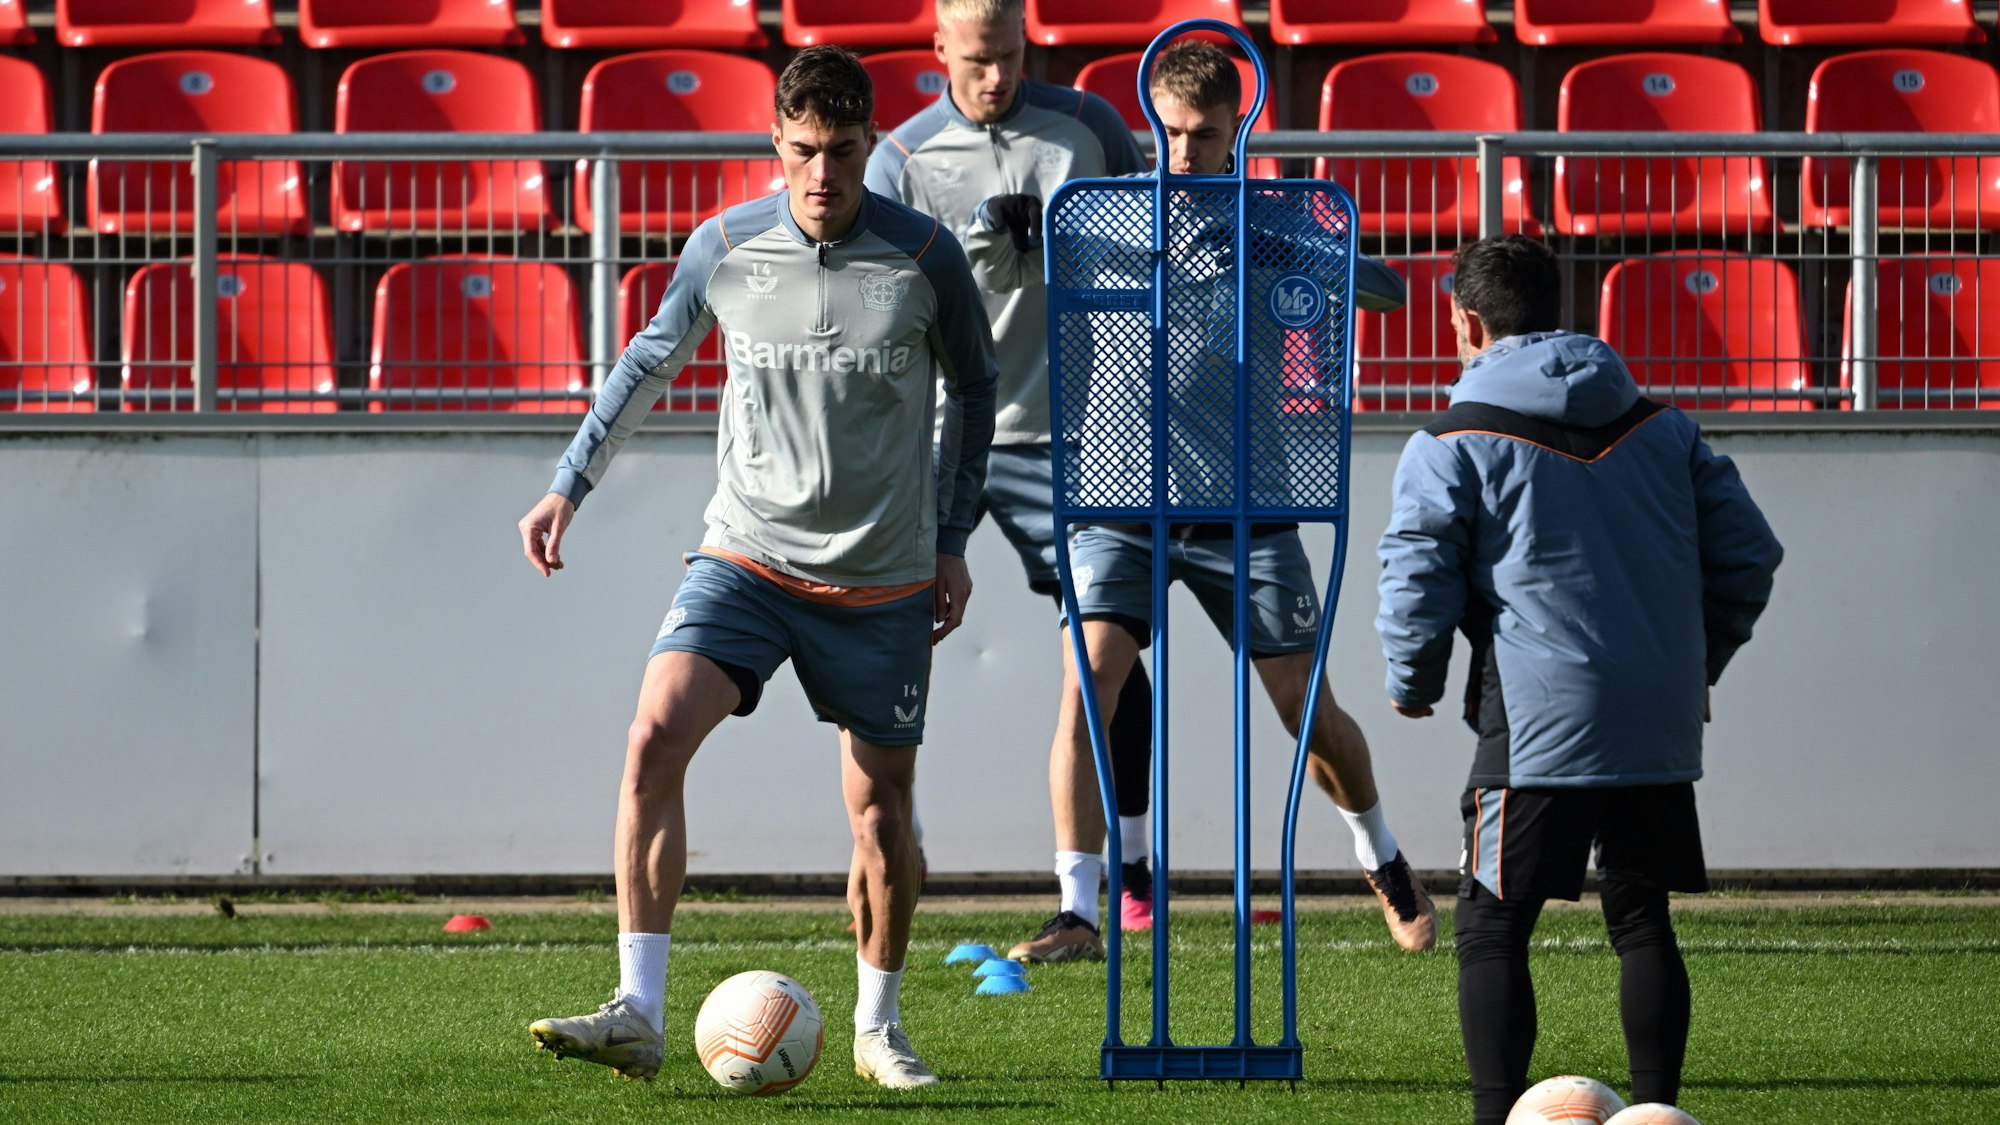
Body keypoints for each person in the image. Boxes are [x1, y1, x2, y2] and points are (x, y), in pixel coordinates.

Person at [517, 46, 997, 1091]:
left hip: (880, 580)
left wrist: (953, 537)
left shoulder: (924, 257)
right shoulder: (725, 245)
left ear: (870, 145)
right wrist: (568, 483)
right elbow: (649, 359)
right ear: (773, 145)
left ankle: (877, 1028)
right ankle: (637, 1010)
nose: (820, 172)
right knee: (652, 736)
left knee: (879, 815)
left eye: (839, 151)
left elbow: (975, 388)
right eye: (802, 151)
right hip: (745, 556)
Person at [965, 39, 1437, 964]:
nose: (1185, 153)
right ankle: (1079, 909)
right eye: (1172, 134)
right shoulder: (1101, 217)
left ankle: (1381, 853)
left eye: (1205, 136)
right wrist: (1002, 218)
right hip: (1118, 496)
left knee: (1304, 704)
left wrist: (1285, 246)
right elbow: (994, 263)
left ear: (1238, 131)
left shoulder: (1267, 216)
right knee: (1084, 689)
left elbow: (1384, 294)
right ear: (1153, 127)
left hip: (1245, 502)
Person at [1374, 234, 1783, 1124]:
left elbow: (1417, 569)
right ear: (1563, 317)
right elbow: (1751, 555)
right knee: (1641, 916)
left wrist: (1415, 677)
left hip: (1535, 718)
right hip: (1655, 715)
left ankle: (1494, 1116)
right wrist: (1696, 663)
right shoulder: (1664, 427)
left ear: (1467, 322)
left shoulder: (1451, 439)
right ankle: (1660, 1113)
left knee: (1491, 924)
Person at [864, 0, 1166, 933]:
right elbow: (886, 297)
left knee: (1103, 648)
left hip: (1089, 429)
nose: (996, 77)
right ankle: (891, 843)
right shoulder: (903, 159)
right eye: (978, 60)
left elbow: (1157, 242)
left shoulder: (1090, 125)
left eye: (1009, 57)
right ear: (940, 50)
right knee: (891, 631)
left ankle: (1130, 866)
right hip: (954, 431)